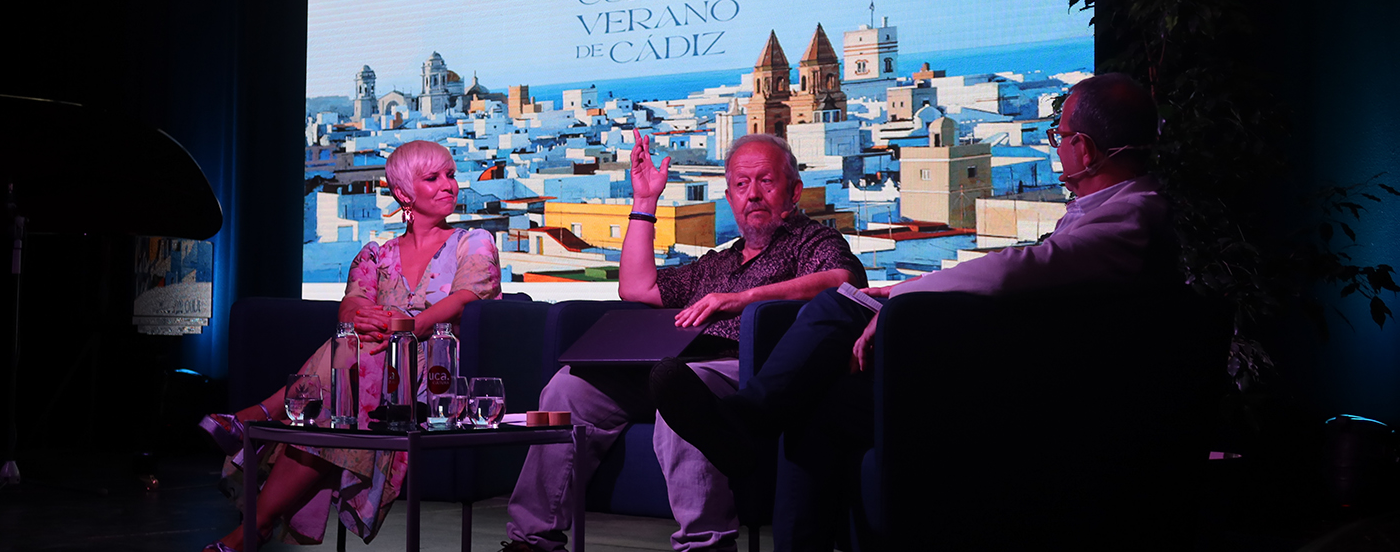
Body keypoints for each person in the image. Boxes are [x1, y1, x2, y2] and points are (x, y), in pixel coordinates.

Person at [652, 73, 1177, 550]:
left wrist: (903, 297)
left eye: (1059, 137)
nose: (1057, 151)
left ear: (1083, 150)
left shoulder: (1130, 218)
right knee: (817, 402)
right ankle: (756, 424)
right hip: (1023, 382)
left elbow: (1016, 270)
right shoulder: (1112, 214)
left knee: (837, 308)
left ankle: (750, 421)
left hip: (1031, 398)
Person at [500, 133, 867, 552]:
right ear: (729, 197)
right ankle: (533, 540)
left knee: (682, 395)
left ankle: (704, 544)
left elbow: (842, 281)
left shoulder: (812, 241)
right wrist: (644, 202)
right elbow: (637, 287)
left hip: (745, 366)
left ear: (794, 190)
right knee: (568, 388)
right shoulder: (717, 263)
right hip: (673, 364)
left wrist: (742, 300)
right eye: (742, 185)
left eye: (766, 181)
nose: (753, 195)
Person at [198, 140, 501, 552]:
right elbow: (351, 305)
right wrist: (362, 317)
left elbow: (468, 298)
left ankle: (262, 417)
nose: (448, 185)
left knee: (353, 363)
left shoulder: (474, 241)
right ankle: (256, 528)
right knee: (344, 373)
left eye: (450, 174)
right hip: (369, 370)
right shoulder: (376, 254)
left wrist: (408, 326)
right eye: (433, 178)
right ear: (403, 193)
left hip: (436, 373)